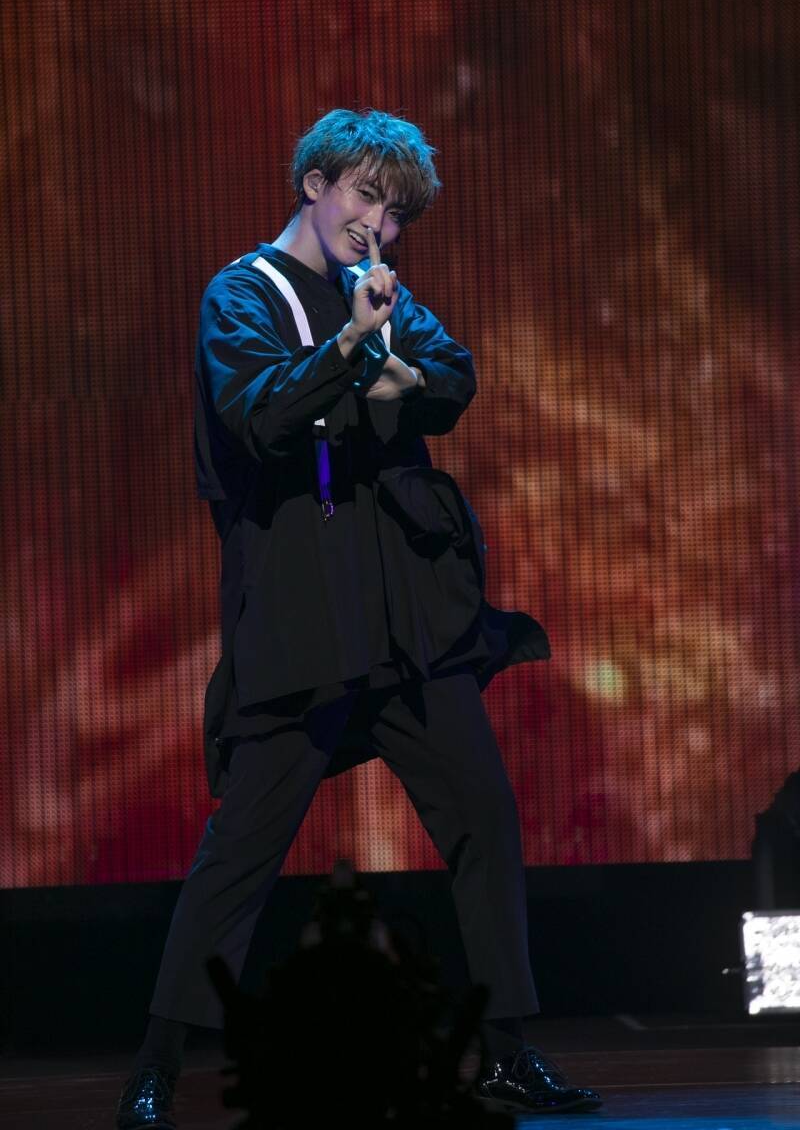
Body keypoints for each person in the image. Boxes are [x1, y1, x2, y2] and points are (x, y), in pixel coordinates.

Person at [115, 108, 601, 1127]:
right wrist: (349, 349)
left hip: (405, 621)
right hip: (303, 618)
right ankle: (155, 1064)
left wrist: (401, 374)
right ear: (316, 184)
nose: (377, 223)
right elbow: (261, 415)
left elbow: (453, 376)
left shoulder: (384, 294)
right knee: (241, 852)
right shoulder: (241, 294)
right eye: (364, 195)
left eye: (394, 210)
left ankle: (506, 1050)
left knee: (482, 814)